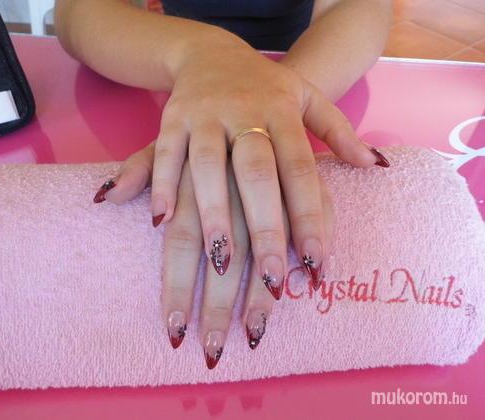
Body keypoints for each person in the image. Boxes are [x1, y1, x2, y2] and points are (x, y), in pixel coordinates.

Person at [54, 0, 392, 369]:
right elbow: (77, 11)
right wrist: (201, 52)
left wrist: (273, 104)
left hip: (320, 65)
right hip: (160, 63)